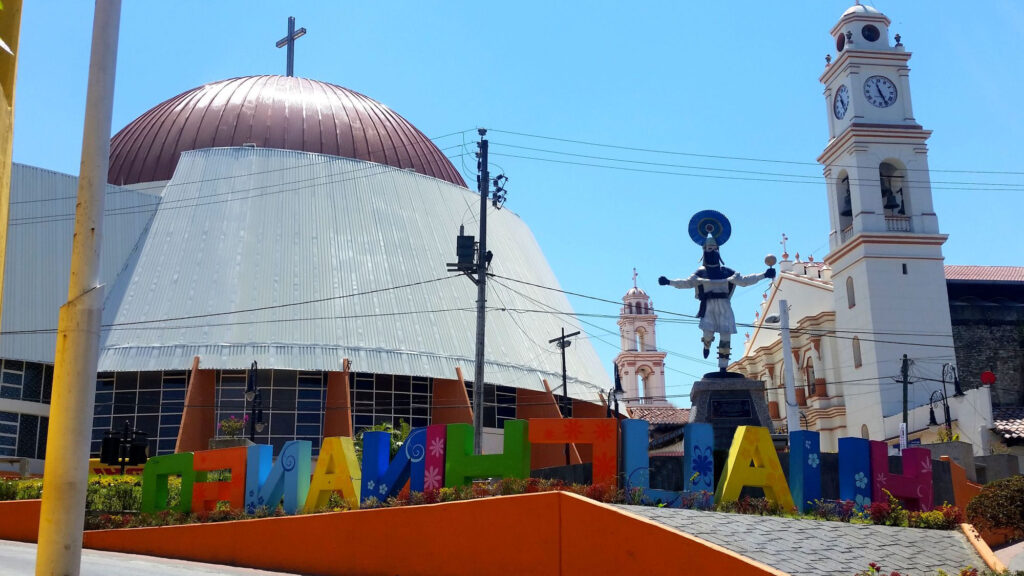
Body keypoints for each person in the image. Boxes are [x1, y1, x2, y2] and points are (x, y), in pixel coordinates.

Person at [659, 235, 776, 373]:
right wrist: (669, 282)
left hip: (724, 305)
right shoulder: (701, 272)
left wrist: (764, 274)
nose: (712, 251)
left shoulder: (727, 272)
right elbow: (686, 283)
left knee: (726, 336)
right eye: (709, 248)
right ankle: (706, 344)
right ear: (704, 251)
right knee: (708, 332)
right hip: (708, 306)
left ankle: (723, 367)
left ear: (719, 250)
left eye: (715, 248)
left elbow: (745, 280)